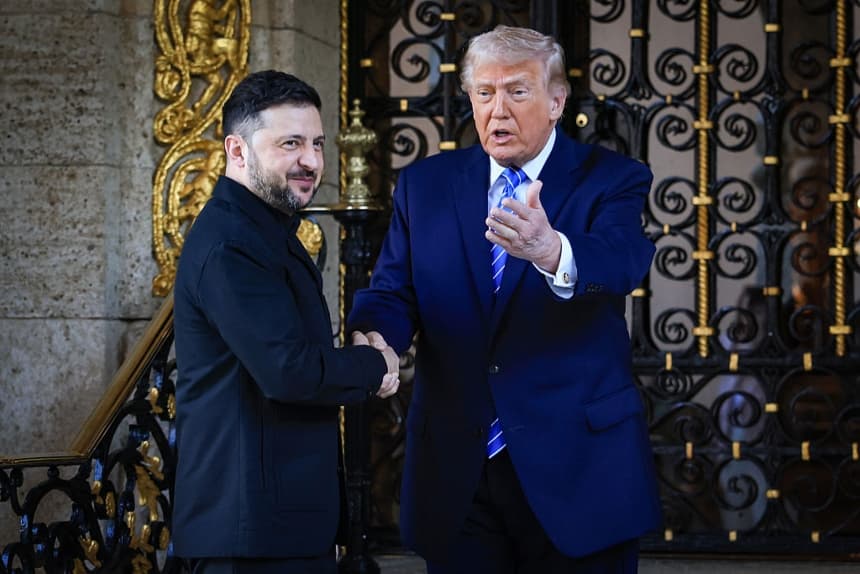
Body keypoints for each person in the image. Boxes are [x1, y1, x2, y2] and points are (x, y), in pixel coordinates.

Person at [348, 26, 662, 573]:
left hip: (579, 469)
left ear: (557, 100)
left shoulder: (612, 177)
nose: (498, 110)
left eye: (517, 92)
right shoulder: (425, 184)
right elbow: (393, 291)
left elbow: (621, 259)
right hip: (459, 470)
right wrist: (378, 339)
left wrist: (550, 249)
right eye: (484, 93)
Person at [172, 70, 400, 574]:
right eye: (291, 143)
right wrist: (375, 364)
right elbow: (288, 371)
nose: (312, 161)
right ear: (237, 151)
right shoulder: (232, 242)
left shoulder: (263, 228)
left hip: (274, 527)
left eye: (317, 143)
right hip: (248, 535)